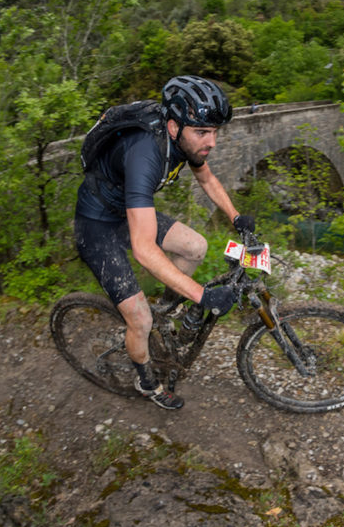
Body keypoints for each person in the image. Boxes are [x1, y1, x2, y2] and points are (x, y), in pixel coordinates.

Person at [73, 75, 255, 410]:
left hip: (127, 211)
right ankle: (145, 381)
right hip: (97, 224)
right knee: (140, 318)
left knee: (196, 247)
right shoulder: (145, 154)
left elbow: (206, 176)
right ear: (173, 127)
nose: (211, 142)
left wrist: (235, 216)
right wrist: (203, 295)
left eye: (215, 132)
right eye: (203, 132)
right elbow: (144, 249)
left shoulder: (186, 139)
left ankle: (167, 309)